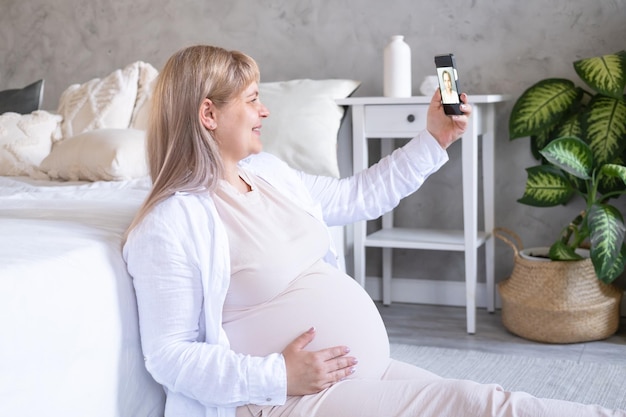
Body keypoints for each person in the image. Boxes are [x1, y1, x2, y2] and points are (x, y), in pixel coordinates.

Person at [123, 45, 625, 417]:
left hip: (350, 374)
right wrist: (279, 375)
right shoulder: (171, 223)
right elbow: (169, 356)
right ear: (208, 114)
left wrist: (434, 138)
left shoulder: (268, 175)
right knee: (484, 408)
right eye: (253, 100)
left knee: (492, 402)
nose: (265, 111)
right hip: (279, 400)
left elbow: (355, 197)